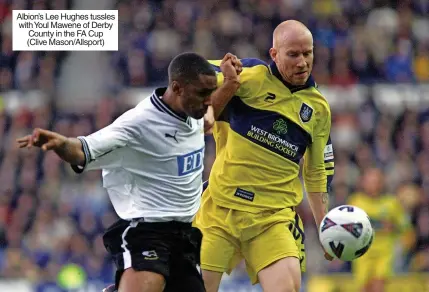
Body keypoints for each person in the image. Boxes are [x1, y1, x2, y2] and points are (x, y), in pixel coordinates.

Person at [17, 52, 238, 292]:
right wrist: (61, 144)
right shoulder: (138, 124)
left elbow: (208, 116)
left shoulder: (192, 112)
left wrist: (229, 84)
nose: (208, 101)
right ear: (177, 87)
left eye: (210, 93)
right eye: (202, 94)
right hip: (147, 232)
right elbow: (84, 150)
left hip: (184, 235)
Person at [193, 20, 335, 292]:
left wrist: (323, 227)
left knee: (288, 287)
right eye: (293, 54)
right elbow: (193, 87)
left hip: (272, 219)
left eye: (308, 53)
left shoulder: (318, 109)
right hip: (221, 211)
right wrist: (227, 83)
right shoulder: (248, 75)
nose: (302, 62)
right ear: (274, 54)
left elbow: (316, 173)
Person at [348, 168, 412, 292]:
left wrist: (394, 227)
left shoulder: (391, 203)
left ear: (382, 183)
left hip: (384, 253)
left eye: (376, 181)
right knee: (364, 288)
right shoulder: (355, 201)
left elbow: (405, 227)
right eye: (370, 181)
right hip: (362, 253)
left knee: (378, 286)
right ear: (363, 183)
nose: (374, 185)